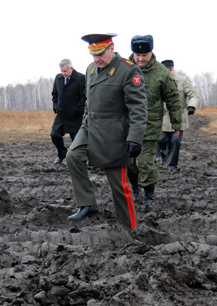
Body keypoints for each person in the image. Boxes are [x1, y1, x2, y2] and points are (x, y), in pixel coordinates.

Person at [66, 33, 148, 231]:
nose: (96, 59)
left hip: (114, 135)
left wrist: (135, 138)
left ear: (111, 48)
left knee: (119, 186)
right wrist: (84, 124)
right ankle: (88, 204)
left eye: (100, 54)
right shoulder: (91, 69)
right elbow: (89, 101)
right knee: (72, 156)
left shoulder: (128, 71)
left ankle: (129, 229)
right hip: (90, 128)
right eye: (93, 54)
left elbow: (138, 108)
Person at [127, 35, 182, 209]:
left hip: (150, 125)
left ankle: (149, 195)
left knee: (145, 162)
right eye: (137, 55)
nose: (141, 58)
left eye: (145, 55)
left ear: (151, 52)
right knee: (128, 162)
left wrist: (177, 124)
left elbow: (173, 98)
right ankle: (135, 187)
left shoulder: (161, 73)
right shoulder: (125, 69)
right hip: (126, 126)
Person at [157, 59, 200, 172]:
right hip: (162, 118)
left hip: (178, 118)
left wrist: (192, 106)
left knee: (175, 141)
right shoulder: (157, 82)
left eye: (170, 70)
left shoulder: (182, 81)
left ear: (173, 69)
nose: (168, 72)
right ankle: (163, 152)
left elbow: (194, 95)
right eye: (165, 70)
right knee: (161, 139)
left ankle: (173, 165)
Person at [50, 59, 86, 164]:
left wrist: (79, 109)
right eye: (62, 71)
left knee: (77, 141)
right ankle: (62, 154)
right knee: (54, 135)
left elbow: (84, 97)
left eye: (65, 71)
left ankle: (79, 160)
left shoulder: (80, 78)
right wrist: (56, 107)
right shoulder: (58, 78)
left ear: (71, 68)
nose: (63, 73)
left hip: (75, 116)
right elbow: (54, 94)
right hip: (61, 115)